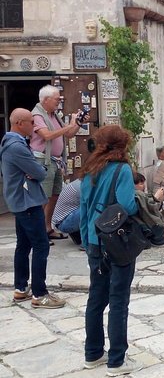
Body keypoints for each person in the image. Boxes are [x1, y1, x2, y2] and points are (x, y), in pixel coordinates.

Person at [79, 125, 143, 375]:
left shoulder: (89, 170)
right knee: (118, 300)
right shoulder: (122, 170)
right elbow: (127, 205)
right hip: (116, 243)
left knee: (96, 299)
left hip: (95, 242)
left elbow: (83, 210)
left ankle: (93, 353)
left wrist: (87, 243)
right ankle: (117, 360)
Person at [1, 108, 65, 308]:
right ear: (20, 123)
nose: (34, 126)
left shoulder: (11, 142)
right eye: (31, 122)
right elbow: (39, 172)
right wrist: (38, 170)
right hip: (27, 201)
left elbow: (34, 170)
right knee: (41, 245)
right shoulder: (16, 146)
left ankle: (21, 288)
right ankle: (39, 293)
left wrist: (35, 170)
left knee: (24, 244)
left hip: (21, 200)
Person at [31, 85, 82, 240]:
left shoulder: (54, 115)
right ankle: (37, 233)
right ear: (46, 100)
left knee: (54, 196)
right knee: (43, 197)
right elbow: (46, 135)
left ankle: (47, 228)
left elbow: (69, 134)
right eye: (57, 99)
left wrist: (77, 123)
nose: (59, 101)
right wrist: (68, 127)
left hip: (56, 162)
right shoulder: (37, 115)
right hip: (43, 161)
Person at [132, 172, 164, 244]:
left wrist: (159, 200)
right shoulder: (137, 195)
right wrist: (157, 198)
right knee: (160, 225)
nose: (143, 186)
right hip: (148, 224)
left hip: (152, 222)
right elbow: (149, 211)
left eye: (143, 183)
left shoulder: (142, 194)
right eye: (141, 184)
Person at [51, 179, 83, 245]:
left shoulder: (80, 182)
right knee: (92, 207)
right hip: (63, 223)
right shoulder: (81, 186)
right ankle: (87, 242)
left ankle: (78, 235)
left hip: (65, 219)